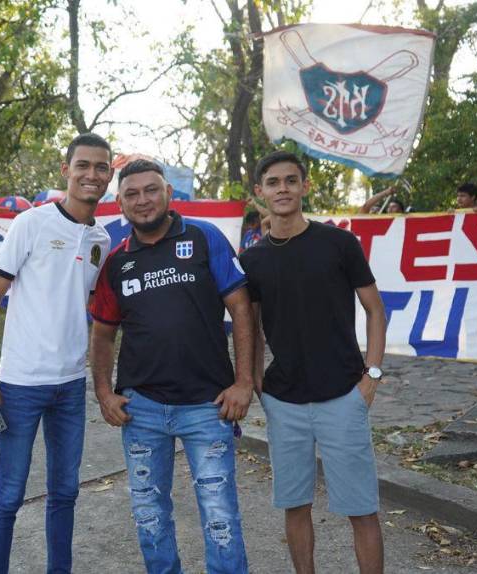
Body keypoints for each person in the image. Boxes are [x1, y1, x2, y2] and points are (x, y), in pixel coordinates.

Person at [90, 159, 254, 573]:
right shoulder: (115, 262)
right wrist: (104, 393)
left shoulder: (204, 237)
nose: (142, 200)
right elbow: (103, 333)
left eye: (150, 190)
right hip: (141, 410)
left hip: (207, 405)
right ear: (120, 204)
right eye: (132, 194)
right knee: (149, 515)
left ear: (168, 193)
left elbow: (241, 310)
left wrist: (244, 382)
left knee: (220, 518)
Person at [0, 132, 113, 574]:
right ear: (65, 171)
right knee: (8, 495)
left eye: (101, 167)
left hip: (70, 385)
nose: (91, 174)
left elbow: (87, 308)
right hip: (21, 384)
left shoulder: (100, 240)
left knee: (65, 492)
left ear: (109, 176)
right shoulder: (30, 223)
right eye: (83, 165)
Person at [240, 151, 388, 574]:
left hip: (344, 395)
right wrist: (253, 380)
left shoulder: (339, 244)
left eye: (290, 180)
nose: (282, 188)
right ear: (259, 193)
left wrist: (371, 376)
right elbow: (249, 327)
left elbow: (375, 309)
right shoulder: (252, 261)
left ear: (305, 187)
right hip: (283, 401)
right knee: (294, 505)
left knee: (361, 509)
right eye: (273, 182)